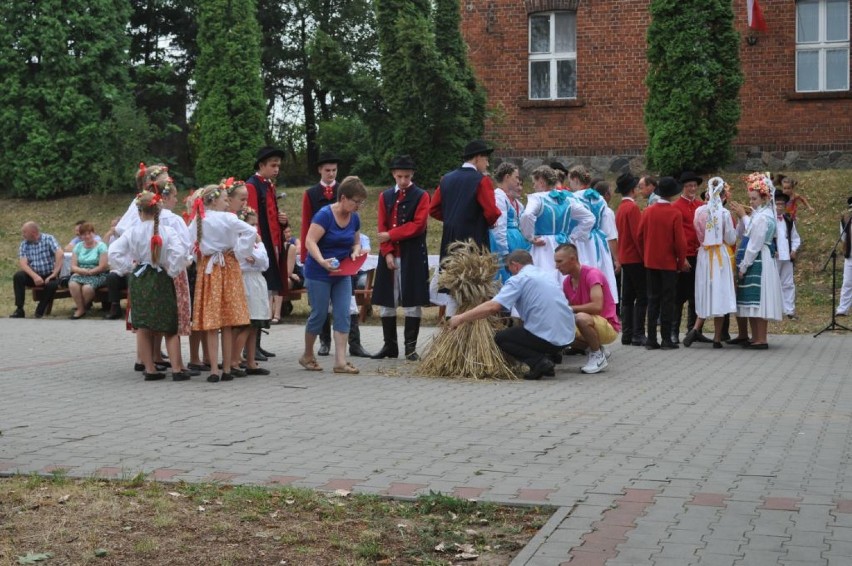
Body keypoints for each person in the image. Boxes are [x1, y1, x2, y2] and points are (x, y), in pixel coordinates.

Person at [447, 250, 575, 381]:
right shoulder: (545, 275)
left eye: (508, 268)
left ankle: (540, 362)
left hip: (548, 337)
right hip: (568, 336)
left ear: (515, 265)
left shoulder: (519, 279)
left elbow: (493, 307)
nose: (509, 272)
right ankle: (551, 356)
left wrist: (460, 318)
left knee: (502, 338)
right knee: (526, 330)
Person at [108, 191, 191, 381]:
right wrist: (171, 269)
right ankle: (177, 369)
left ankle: (150, 369)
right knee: (169, 324)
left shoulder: (132, 232)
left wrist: (129, 267)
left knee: (143, 325)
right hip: (161, 277)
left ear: (139, 211)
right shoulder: (167, 231)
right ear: (158, 211)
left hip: (140, 277)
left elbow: (113, 252)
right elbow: (179, 253)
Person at [189, 183, 256, 382]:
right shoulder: (229, 218)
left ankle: (214, 371)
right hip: (228, 268)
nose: (228, 202)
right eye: (225, 199)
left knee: (212, 322)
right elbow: (250, 232)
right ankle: (226, 368)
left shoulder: (199, 219)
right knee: (227, 322)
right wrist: (240, 251)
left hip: (209, 270)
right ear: (215, 200)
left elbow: (189, 243)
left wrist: (198, 256)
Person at [300, 176, 368, 374]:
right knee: (319, 314)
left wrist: (356, 251)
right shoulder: (324, 215)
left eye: (360, 202)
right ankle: (307, 355)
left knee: (343, 314)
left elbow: (356, 241)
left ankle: (340, 361)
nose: (358, 206)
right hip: (318, 272)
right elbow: (309, 241)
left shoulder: (354, 217)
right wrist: (322, 261)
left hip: (342, 273)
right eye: (356, 201)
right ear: (344, 198)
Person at [429, 139, 501, 315]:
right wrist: (488, 222)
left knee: (454, 288)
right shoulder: (481, 181)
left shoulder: (446, 179)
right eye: (486, 159)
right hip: (474, 239)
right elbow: (491, 212)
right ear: (477, 158)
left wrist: (453, 218)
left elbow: (433, 209)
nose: (487, 163)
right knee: (474, 288)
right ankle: (469, 330)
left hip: (450, 239)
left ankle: (451, 327)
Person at [372, 155, 431, 361]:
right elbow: (382, 227)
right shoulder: (385, 196)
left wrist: (391, 235)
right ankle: (390, 346)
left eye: (406, 176)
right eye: (399, 176)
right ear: (393, 175)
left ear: (412, 174)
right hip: (389, 255)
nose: (403, 180)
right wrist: (387, 251)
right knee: (388, 302)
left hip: (412, 256)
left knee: (411, 301)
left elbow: (418, 225)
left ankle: (410, 348)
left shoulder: (422, 196)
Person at [682, 177, 737, 348]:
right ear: (722, 196)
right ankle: (717, 338)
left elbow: (698, 233)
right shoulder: (724, 213)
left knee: (705, 289)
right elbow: (730, 237)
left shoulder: (699, 211)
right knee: (719, 291)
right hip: (718, 253)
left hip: (704, 253)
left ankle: (696, 328)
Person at [245, 146, 288, 360]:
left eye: (278, 165)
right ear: (261, 165)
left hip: (272, 244)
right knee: (258, 297)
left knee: (264, 296)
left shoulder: (268, 186)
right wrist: (256, 246)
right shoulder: (252, 186)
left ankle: (257, 345)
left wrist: (283, 222)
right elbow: (251, 219)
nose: (276, 169)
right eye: (273, 165)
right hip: (261, 246)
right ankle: (250, 348)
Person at [637, 177, 689, 350]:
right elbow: (680, 243)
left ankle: (651, 338)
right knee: (667, 300)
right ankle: (666, 338)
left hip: (651, 262)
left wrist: (646, 254)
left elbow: (639, 236)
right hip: (668, 263)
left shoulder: (648, 211)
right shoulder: (675, 213)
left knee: (653, 300)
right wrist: (681, 261)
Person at [554, 243, 619, 374]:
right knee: (557, 328)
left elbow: (597, 306)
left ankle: (597, 356)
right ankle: (597, 348)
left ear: (573, 259)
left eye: (560, 261)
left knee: (580, 318)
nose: (556, 266)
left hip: (608, 326)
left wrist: (570, 308)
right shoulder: (567, 282)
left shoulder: (592, 274)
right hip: (590, 323)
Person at [735, 173, 783, 349]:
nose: (751, 202)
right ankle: (756, 337)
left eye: (754, 198)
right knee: (753, 301)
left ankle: (761, 338)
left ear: (764, 198)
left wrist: (744, 265)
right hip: (761, 258)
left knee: (758, 300)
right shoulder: (763, 214)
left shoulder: (763, 217)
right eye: (750, 198)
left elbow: (754, 244)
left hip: (759, 259)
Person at [519, 165, 594, 276]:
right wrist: (573, 236)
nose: (533, 186)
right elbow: (589, 218)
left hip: (543, 245)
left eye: (534, 182)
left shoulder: (538, 198)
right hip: (563, 244)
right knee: (564, 277)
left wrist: (530, 237)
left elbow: (527, 215)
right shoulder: (567, 199)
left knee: (544, 276)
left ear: (541, 182)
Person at [566, 166, 618, 303]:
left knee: (583, 271)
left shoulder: (572, 198)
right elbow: (607, 228)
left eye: (570, 181)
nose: (569, 185)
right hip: (599, 242)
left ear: (575, 179)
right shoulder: (599, 198)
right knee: (599, 272)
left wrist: (573, 236)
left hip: (581, 241)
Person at [232, 206, 271, 376]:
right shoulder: (240, 242)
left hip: (256, 281)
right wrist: (257, 255)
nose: (255, 229)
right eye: (251, 224)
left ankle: (251, 361)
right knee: (246, 325)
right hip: (246, 281)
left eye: (256, 225)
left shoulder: (255, 243)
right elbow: (251, 259)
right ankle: (234, 359)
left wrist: (258, 252)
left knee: (254, 325)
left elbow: (264, 262)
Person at [671, 171, 705, 344]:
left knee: (697, 294)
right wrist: (680, 257)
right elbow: (675, 235)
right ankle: (673, 330)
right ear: (683, 188)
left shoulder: (701, 205)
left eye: (694, 186)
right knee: (679, 295)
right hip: (685, 256)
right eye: (688, 186)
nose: (692, 188)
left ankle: (693, 330)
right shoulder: (676, 206)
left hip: (700, 254)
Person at [614, 173, 647, 346]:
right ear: (633, 189)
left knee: (627, 296)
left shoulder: (621, 208)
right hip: (635, 257)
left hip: (625, 256)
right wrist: (645, 257)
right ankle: (638, 332)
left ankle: (627, 333)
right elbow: (637, 236)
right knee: (642, 295)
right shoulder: (632, 208)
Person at [11, 222, 63, 318]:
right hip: (34, 275)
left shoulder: (48, 239)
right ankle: (19, 309)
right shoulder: (24, 244)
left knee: (53, 284)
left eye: (24, 232)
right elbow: (23, 263)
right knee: (18, 276)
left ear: (33, 232)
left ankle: (40, 310)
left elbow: (59, 254)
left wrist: (54, 273)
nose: (23, 235)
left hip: (49, 274)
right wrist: (34, 276)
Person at [490, 162, 530, 282]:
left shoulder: (516, 202)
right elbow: (499, 227)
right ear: (507, 177)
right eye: (516, 177)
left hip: (518, 244)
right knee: (505, 276)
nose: (518, 181)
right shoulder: (499, 197)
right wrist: (504, 253)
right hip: (506, 244)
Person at [67, 222, 109, 319]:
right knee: (72, 284)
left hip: (98, 273)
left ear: (93, 233)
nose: (87, 236)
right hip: (81, 272)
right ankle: (81, 309)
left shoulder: (101, 246)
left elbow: (103, 266)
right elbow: (73, 266)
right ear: (81, 236)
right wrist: (82, 271)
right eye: (84, 234)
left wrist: (90, 272)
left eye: (89, 233)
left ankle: (81, 307)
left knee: (87, 289)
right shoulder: (78, 246)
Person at [773, 193, 801, 319]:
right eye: (777, 204)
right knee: (774, 283)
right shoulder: (769, 219)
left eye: (782, 204)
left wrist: (794, 249)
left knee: (788, 283)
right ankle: (774, 309)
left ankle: (789, 310)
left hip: (787, 256)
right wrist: (773, 250)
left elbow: (795, 238)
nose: (779, 207)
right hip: (774, 256)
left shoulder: (788, 220)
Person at [837, 197, 852, 317]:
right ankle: (842, 309)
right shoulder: (845, 220)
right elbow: (843, 237)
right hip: (850, 256)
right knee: (847, 282)